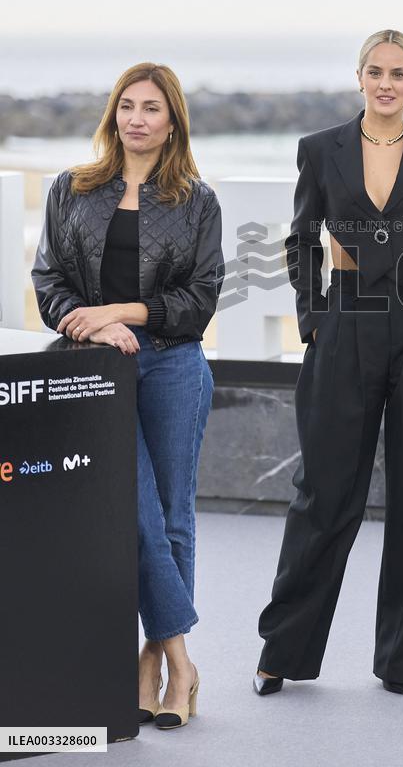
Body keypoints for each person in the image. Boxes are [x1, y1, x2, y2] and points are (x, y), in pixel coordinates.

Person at [254, 29, 403, 695]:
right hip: (346, 320)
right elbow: (300, 240)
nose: (387, 82)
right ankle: (282, 653)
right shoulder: (321, 150)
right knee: (324, 495)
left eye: (399, 73)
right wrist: (313, 317)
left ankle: (400, 662)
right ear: (359, 78)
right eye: (375, 71)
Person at [32, 62, 224, 730]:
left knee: (173, 520)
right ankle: (182, 660)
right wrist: (87, 321)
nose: (136, 118)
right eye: (127, 106)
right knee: (138, 520)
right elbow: (50, 281)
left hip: (174, 367)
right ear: (114, 113)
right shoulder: (72, 189)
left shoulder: (197, 201)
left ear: (173, 122)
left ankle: (152, 663)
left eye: (151, 108)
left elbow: (200, 302)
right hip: (98, 375)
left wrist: (123, 312)